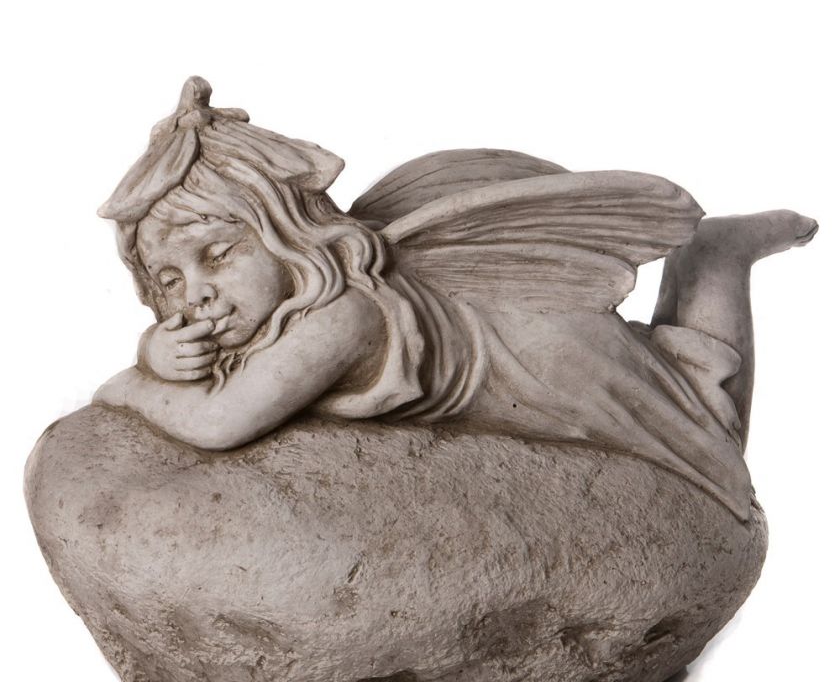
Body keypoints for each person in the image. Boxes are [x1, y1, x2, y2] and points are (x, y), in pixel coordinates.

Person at [94, 77, 817, 521]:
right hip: (499, 338)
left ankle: (716, 256)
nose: (197, 294)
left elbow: (220, 421)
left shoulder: (339, 318)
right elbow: (214, 380)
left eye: (219, 255)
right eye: (169, 280)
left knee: (706, 443)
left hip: (539, 360)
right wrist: (157, 349)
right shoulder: (273, 309)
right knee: (680, 397)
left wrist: (127, 386)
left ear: (288, 237)